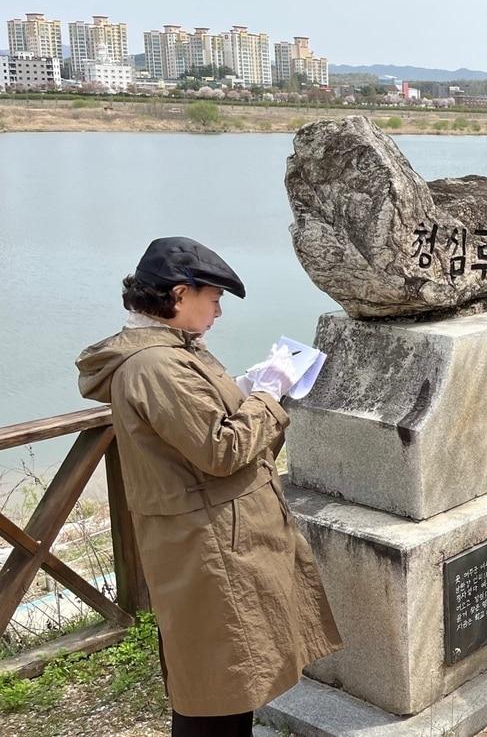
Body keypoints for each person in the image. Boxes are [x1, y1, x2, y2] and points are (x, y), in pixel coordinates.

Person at [76, 237, 342, 737]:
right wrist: (268, 394)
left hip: (210, 537)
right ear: (180, 294)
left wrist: (244, 389)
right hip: (209, 547)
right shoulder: (157, 364)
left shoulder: (172, 350)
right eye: (214, 299)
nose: (218, 312)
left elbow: (192, 425)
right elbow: (222, 450)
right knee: (216, 685)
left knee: (228, 680)